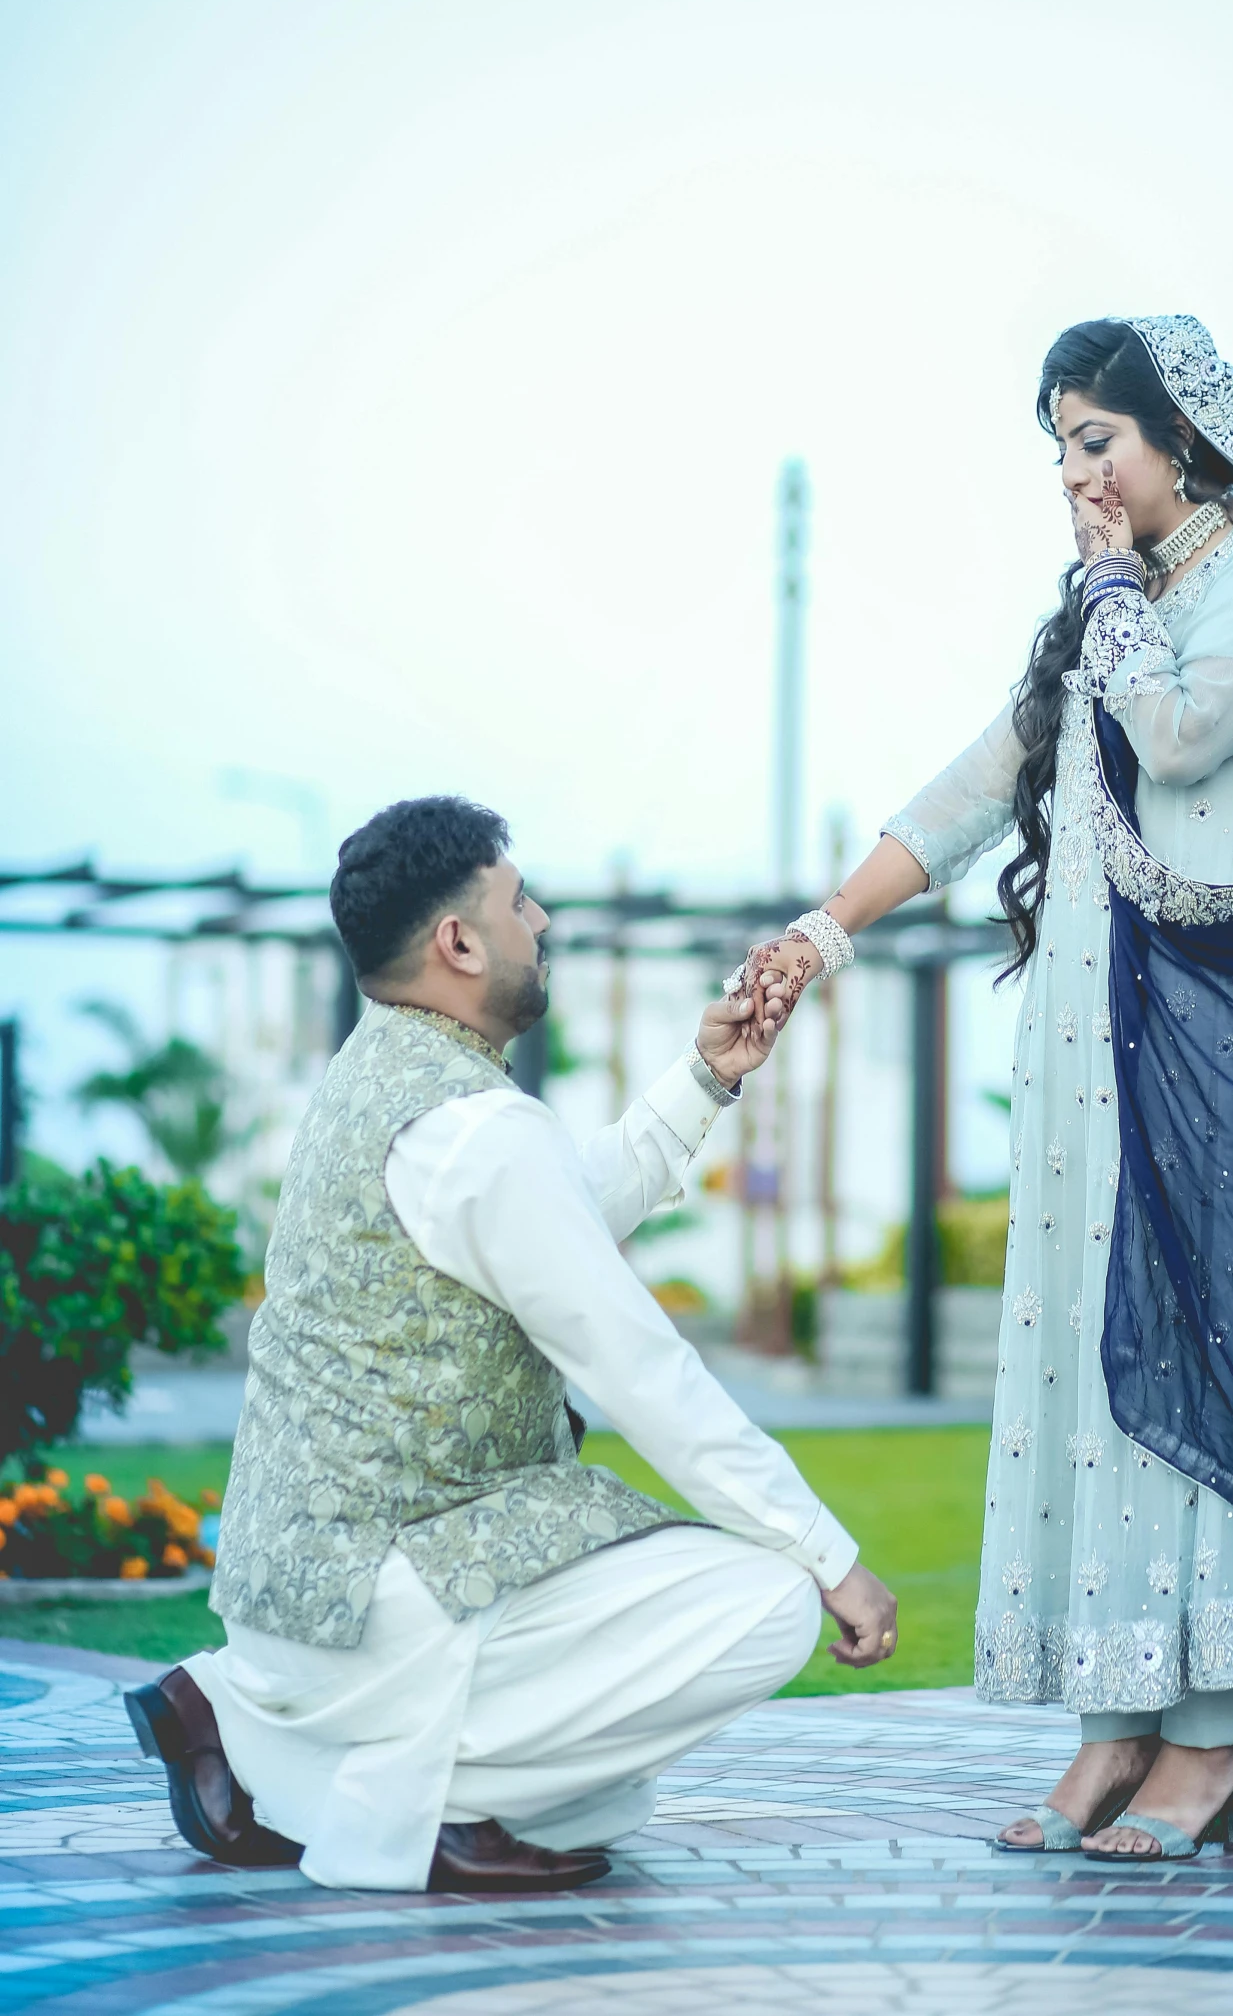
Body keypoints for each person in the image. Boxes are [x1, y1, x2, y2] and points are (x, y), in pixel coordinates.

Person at [742, 315, 1233, 1861]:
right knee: (1097, 1377)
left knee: (1218, 1351)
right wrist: (826, 926)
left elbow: (1179, 736)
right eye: (1057, 450)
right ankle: (1116, 1728)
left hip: (1225, 1050)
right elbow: (980, 784)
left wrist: (1108, 590)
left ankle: (1214, 1738)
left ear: (1184, 436)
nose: (1072, 477)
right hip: (1091, 1059)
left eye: (1094, 440)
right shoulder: (1117, 603)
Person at [126, 796, 896, 1894]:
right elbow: (642, 1371)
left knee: (608, 1796)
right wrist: (826, 1556)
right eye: (518, 900)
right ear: (459, 941)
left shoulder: (377, 1084)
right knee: (767, 1602)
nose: (541, 920)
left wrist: (707, 1076)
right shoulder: (478, 1128)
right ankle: (413, 1792)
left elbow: (558, 1211)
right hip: (379, 1596)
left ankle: (250, 1717)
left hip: (296, 1595)